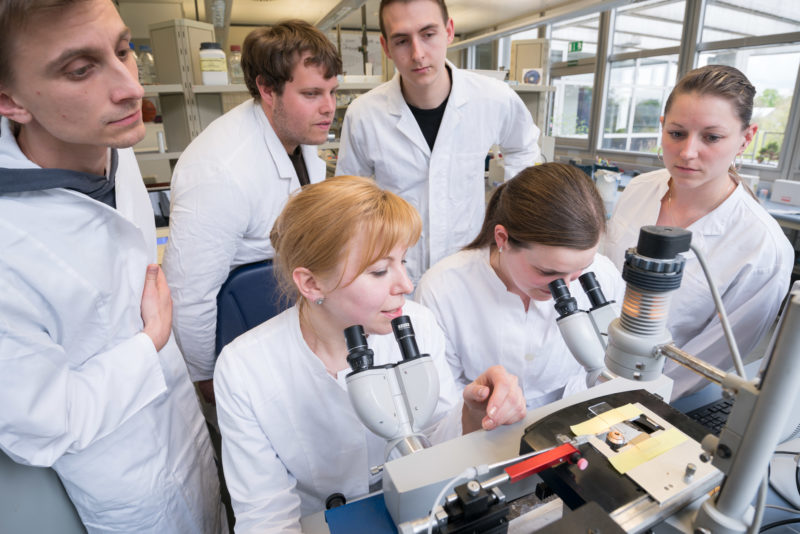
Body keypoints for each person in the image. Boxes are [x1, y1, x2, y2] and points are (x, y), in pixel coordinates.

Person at [0, 0, 225, 531]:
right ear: (10, 101)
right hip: (132, 492)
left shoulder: (111, 150)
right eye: (81, 70)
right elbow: (43, 425)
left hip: (189, 444)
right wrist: (148, 343)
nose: (130, 87)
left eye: (123, 49)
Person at [214, 176, 526, 532]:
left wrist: (471, 414)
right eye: (379, 271)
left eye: (403, 261)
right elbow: (266, 519)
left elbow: (434, 444)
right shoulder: (243, 368)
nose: (406, 285)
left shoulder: (417, 324)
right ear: (312, 283)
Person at [162, 21, 341, 405]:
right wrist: (207, 377)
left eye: (332, 91)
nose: (329, 107)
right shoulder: (219, 169)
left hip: (287, 325)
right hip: (239, 334)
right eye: (311, 93)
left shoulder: (302, 137)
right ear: (266, 89)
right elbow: (190, 294)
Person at [603, 65, 794, 399]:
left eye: (711, 137)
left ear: (746, 138)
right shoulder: (639, 188)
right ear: (662, 128)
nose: (688, 152)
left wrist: (623, 400)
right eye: (677, 133)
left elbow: (701, 362)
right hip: (590, 361)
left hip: (664, 397)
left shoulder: (763, 249)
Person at [335, 0, 541, 284]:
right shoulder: (364, 115)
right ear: (386, 47)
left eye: (428, 34)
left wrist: (511, 215)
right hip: (397, 272)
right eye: (402, 40)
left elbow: (524, 148)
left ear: (449, 31)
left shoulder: (494, 98)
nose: (418, 54)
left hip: (470, 267)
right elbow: (348, 198)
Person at [417, 163, 625, 408]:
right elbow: (441, 401)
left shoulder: (604, 273)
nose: (566, 288)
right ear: (502, 239)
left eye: (580, 270)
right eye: (548, 272)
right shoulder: (443, 287)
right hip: (478, 434)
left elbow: (614, 364)